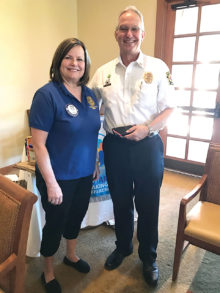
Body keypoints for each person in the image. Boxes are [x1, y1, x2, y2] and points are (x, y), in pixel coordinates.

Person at [90, 6, 175, 287]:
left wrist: (148, 129)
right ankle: (123, 245)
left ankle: (148, 257)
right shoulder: (102, 72)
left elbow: (169, 108)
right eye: (124, 29)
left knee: (148, 204)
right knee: (122, 200)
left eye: (134, 29)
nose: (129, 34)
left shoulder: (158, 68)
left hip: (147, 145)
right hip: (115, 146)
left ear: (143, 33)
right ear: (116, 34)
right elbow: (91, 109)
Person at [29, 38, 101, 293]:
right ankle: (48, 271)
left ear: (86, 64)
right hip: (57, 176)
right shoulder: (46, 95)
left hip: (84, 174)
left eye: (80, 59)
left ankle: (70, 255)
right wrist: (51, 183)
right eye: (68, 57)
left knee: (76, 216)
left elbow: (91, 132)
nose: (74, 63)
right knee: (55, 223)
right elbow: (39, 145)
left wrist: (93, 162)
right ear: (59, 61)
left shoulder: (91, 95)